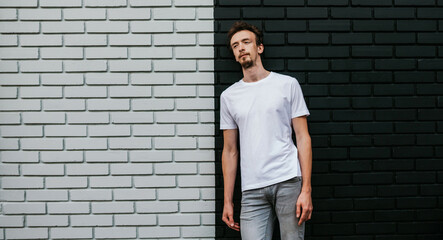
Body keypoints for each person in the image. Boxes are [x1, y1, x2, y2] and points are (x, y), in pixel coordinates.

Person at [220, 21, 313, 240]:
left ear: (259, 47)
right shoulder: (229, 97)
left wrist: (306, 189)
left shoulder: (287, 85)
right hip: (251, 190)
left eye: (246, 42)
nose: (241, 48)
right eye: (235, 46)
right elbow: (230, 151)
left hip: (288, 181)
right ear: (234, 54)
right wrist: (227, 200)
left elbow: (303, 138)